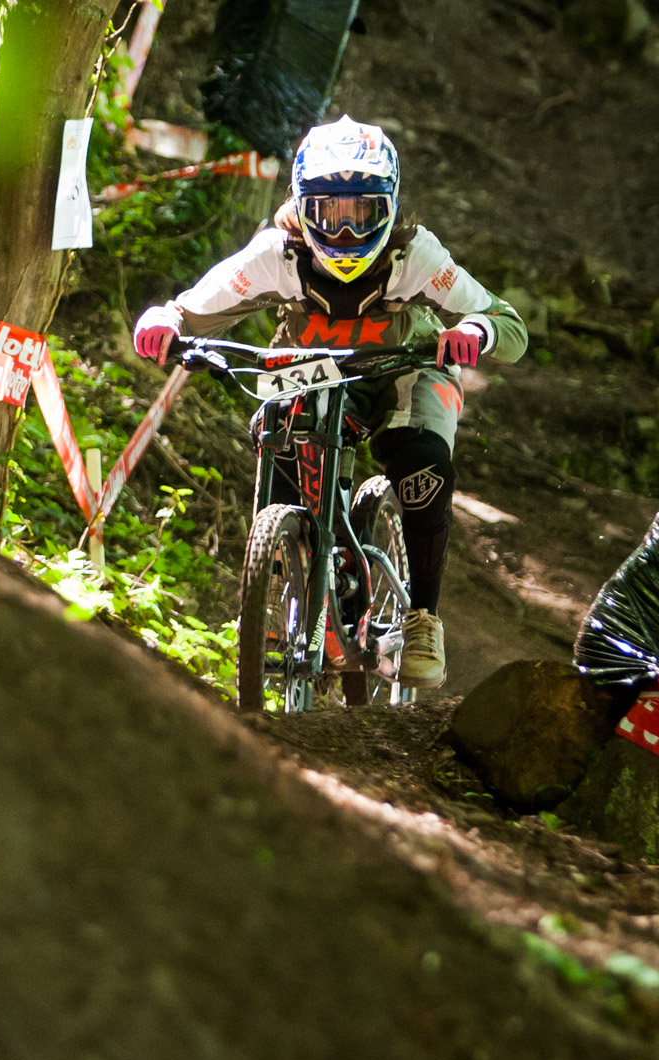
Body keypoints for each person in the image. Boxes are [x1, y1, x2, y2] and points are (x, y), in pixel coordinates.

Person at [132, 115, 527, 689]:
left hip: (404, 372)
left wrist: (475, 331)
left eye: (360, 212)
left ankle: (422, 617)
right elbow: (191, 308)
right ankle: (280, 571)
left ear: (388, 206)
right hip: (306, 372)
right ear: (302, 208)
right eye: (328, 214)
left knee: (423, 463)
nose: (344, 234)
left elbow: (506, 324)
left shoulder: (413, 257)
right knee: (275, 433)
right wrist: (164, 320)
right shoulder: (277, 255)